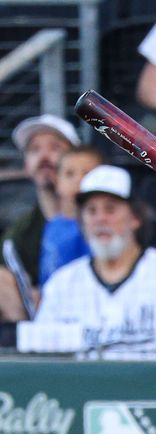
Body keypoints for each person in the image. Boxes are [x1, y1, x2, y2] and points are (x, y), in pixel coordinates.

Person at [17, 166, 156, 358]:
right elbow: (41, 363)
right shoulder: (62, 284)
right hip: (82, 391)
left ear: (135, 218)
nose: (100, 219)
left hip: (151, 391)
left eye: (110, 210)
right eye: (91, 211)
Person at [0, 115, 81, 321]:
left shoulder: (98, 218)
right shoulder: (19, 232)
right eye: (35, 150)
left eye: (55, 148)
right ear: (27, 166)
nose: (44, 156)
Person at [40, 146, 104, 288]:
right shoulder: (53, 224)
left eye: (87, 174)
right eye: (69, 174)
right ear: (57, 181)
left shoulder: (93, 229)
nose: (78, 180)